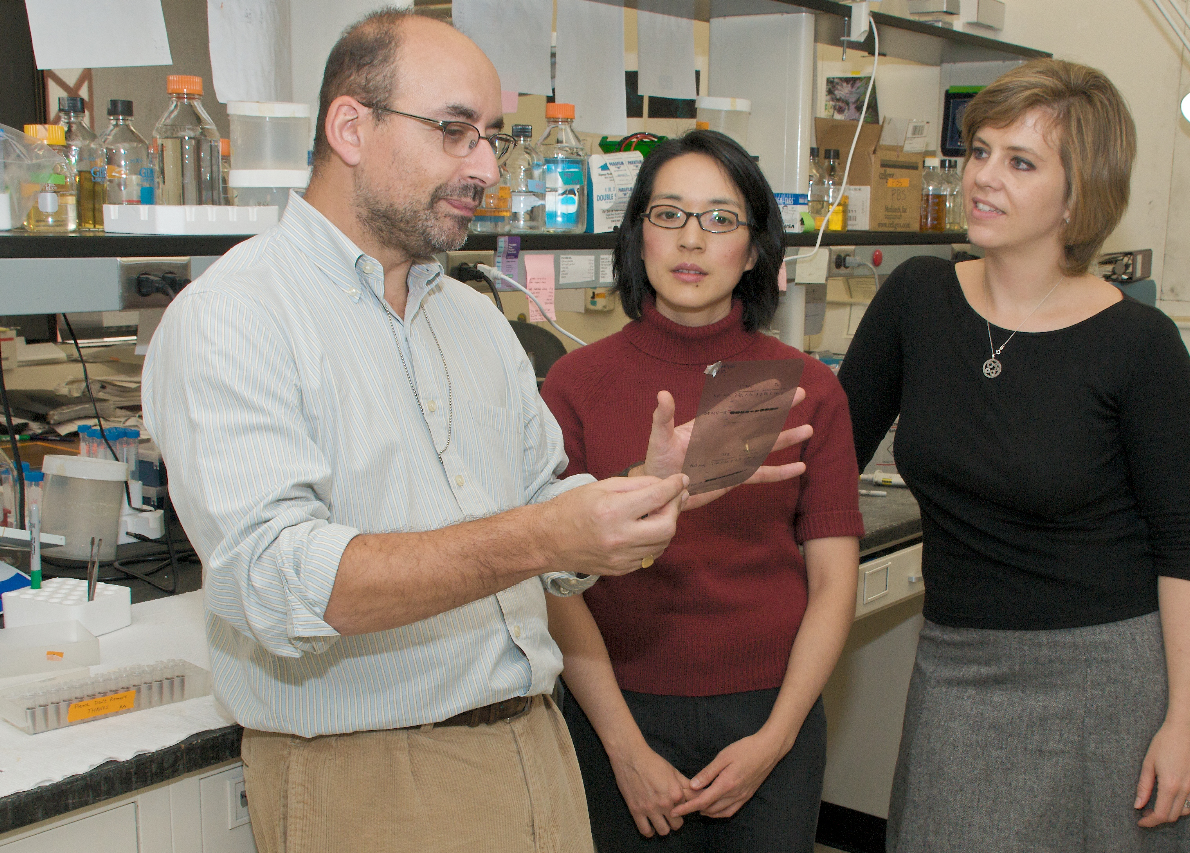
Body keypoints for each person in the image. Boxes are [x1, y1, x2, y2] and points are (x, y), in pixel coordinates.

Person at [140, 13, 809, 853]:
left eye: (490, 136)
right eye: (456, 132)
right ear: (351, 127)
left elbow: (539, 508)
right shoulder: (235, 319)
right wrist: (537, 534)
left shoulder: (470, 317)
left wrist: (631, 497)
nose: (487, 167)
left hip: (532, 743)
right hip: (372, 777)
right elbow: (278, 580)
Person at [838, 59, 1190, 852]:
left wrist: (1185, 720)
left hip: (1108, 677)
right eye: (979, 151)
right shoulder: (918, 299)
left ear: (1079, 193)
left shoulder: (1139, 344)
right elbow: (825, 456)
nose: (982, 178)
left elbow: (1187, 549)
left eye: (1020, 163)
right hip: (958, 660)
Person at [540, 129, 864, 852]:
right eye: (668, 215)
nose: (691, 240)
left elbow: (834, 584)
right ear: (638, 235)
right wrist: (624, 749)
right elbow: (556, 582)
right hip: (616, 713)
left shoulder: (804, 387)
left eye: (720, 218)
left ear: (752, 250)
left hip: (768, 714)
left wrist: (775, 741)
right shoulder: (576, 385)